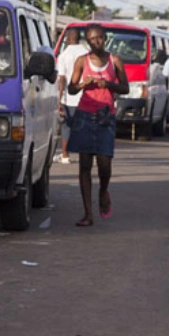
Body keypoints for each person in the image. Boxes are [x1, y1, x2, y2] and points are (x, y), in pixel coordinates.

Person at [67, 23, 129, 227]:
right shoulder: (81, 61)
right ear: (87, 41)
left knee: (104, 163)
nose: (96, 42)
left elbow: (125, 87)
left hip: (105, 116)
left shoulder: (115, 60)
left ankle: (103, 191)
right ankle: (88, 213)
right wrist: (83, 84)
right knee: (85, 165)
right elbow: (72, 88)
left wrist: (109, 84)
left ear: (105, 38)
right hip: (85, 114)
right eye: (92, 39)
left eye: (100, 38)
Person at [56, 28, 88, 164]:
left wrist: (59, 98)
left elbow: (61, 78)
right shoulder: (87, 53)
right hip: (86, 97)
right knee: (84, 127)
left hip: (69, 98)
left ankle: (65, 155)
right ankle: (84, 156)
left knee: (66, 126)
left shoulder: (64, 55)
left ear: (68, 39)